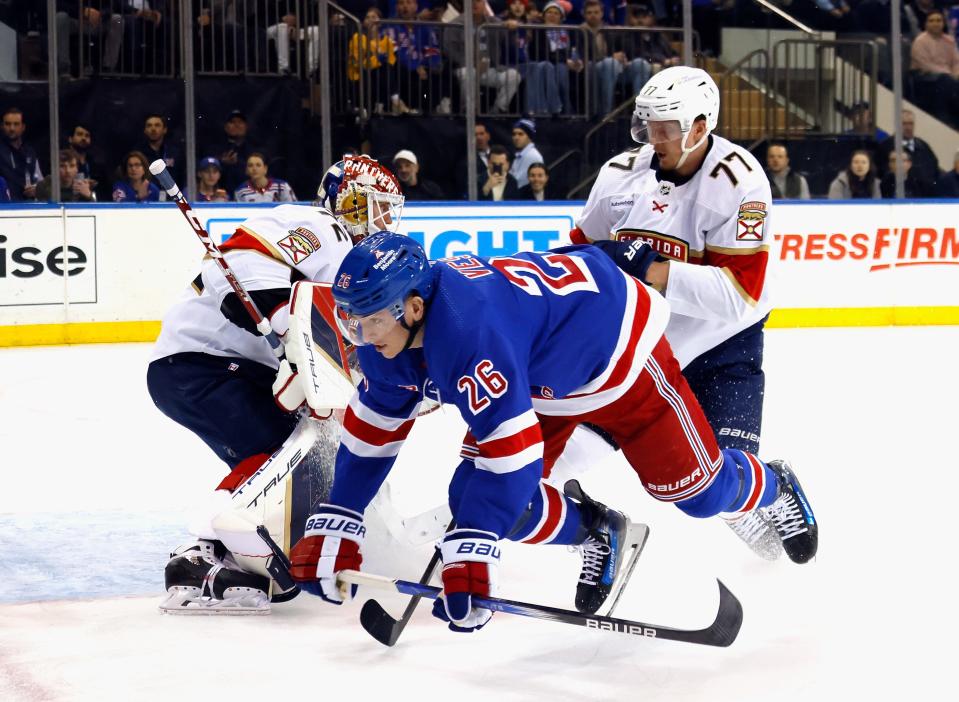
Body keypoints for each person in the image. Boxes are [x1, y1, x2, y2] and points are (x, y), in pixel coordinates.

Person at [286, 232, 818, 632]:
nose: (358, 336)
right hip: (538, 372)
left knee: (697, 494)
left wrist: (473, 547)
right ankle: (598, 531)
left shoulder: (469, 334)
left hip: (616, 359)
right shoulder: (390, 338)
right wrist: (340, 516)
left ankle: (773, 486)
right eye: (351, 322)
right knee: (477, 498)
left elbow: (510, 458)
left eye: (368, 322)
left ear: (414, 307)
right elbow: (374, 429)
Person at [148, 155, 406, 613]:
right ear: (347, 203)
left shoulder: (351, 265)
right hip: (200, 361)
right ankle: (199, 549)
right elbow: (239, 272)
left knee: (303, 454)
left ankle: (226, 556)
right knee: (286, 449)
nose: (386, 222)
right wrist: (288, 333)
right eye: (377, 208)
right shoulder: (322, 227)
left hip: (216, 366)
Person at [570, 66, 788, 558]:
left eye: (666, 127)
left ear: (699, 126)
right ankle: (595, 534)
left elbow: (739, 295)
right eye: (647, 125)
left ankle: (770, 491)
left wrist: (650, 267)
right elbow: (580, 256)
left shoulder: (740, 181)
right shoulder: (619, 176)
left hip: (721, 341)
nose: (654, 137)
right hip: (638, 341)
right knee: (563, 453)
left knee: (717, 479)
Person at [445, 0, 522, 115]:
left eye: (478, 1)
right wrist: (471, 63)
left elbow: (510, 42)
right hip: (465, 68)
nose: (474, 4)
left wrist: (511, 29)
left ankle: (498, 110)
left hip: (489, 69)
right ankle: (470, 111)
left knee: (513, 76)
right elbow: (449, 51)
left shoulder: (493, 22)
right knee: (468, 73)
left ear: (484, 4)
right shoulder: (455, 24)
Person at [909, 10, 959, 118]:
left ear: (943, 23)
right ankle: (944, 118)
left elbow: (956, 62)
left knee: (951, 81)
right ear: (926, 24)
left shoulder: (949, 40)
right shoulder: (920, 41)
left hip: (949, 78)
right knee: (946, 81)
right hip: (926, 79)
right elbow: (925, 65)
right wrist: (948, 74)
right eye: (931, 21)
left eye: (938, 20)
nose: (935, 23)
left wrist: (956, 74)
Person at [877, 109, 941, 186]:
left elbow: (935, 170)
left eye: (911, 124)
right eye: (904, 124)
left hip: (924, 195)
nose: (908, 127)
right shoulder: (885, 147)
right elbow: (880, 174)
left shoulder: (924, 146)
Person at [0, 107, 44, 201]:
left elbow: (39, 180)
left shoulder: (30, 152)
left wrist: (36, 189)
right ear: (2, 126)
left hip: (27, 208)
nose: (12, 128)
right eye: (8, 124)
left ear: (23, 127)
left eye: (16, 124)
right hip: (4, 208)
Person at [209, 109, 255, 195]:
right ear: (226, 127)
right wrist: (222, 162)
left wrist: (239, 163)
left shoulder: (254, 149)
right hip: (220, 196)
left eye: (240, 122)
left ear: (246, 126)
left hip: (249, 195)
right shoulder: (215, 149)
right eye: (232, 122)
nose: (237, 125)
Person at [136, 113, 184, 186]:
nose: (153, 129)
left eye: (157, 125)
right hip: (147, 196)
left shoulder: (175, 152)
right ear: (145, 130)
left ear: (164, 130)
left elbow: (183, 176)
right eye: (149, 125)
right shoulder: (138, 154)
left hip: (172, 195)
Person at [66, 122, 107, 201]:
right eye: (79, 134)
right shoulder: (61, 161)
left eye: (87, 136)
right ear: (70, 139)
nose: (84, 138)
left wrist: (93, 186)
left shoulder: (95, 164)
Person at [509, 118, 544, 189]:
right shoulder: (521, 154)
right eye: (514, 134)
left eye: (520, 134)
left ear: (529, 137)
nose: (516, 137)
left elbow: (519, 183)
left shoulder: (532, 156)